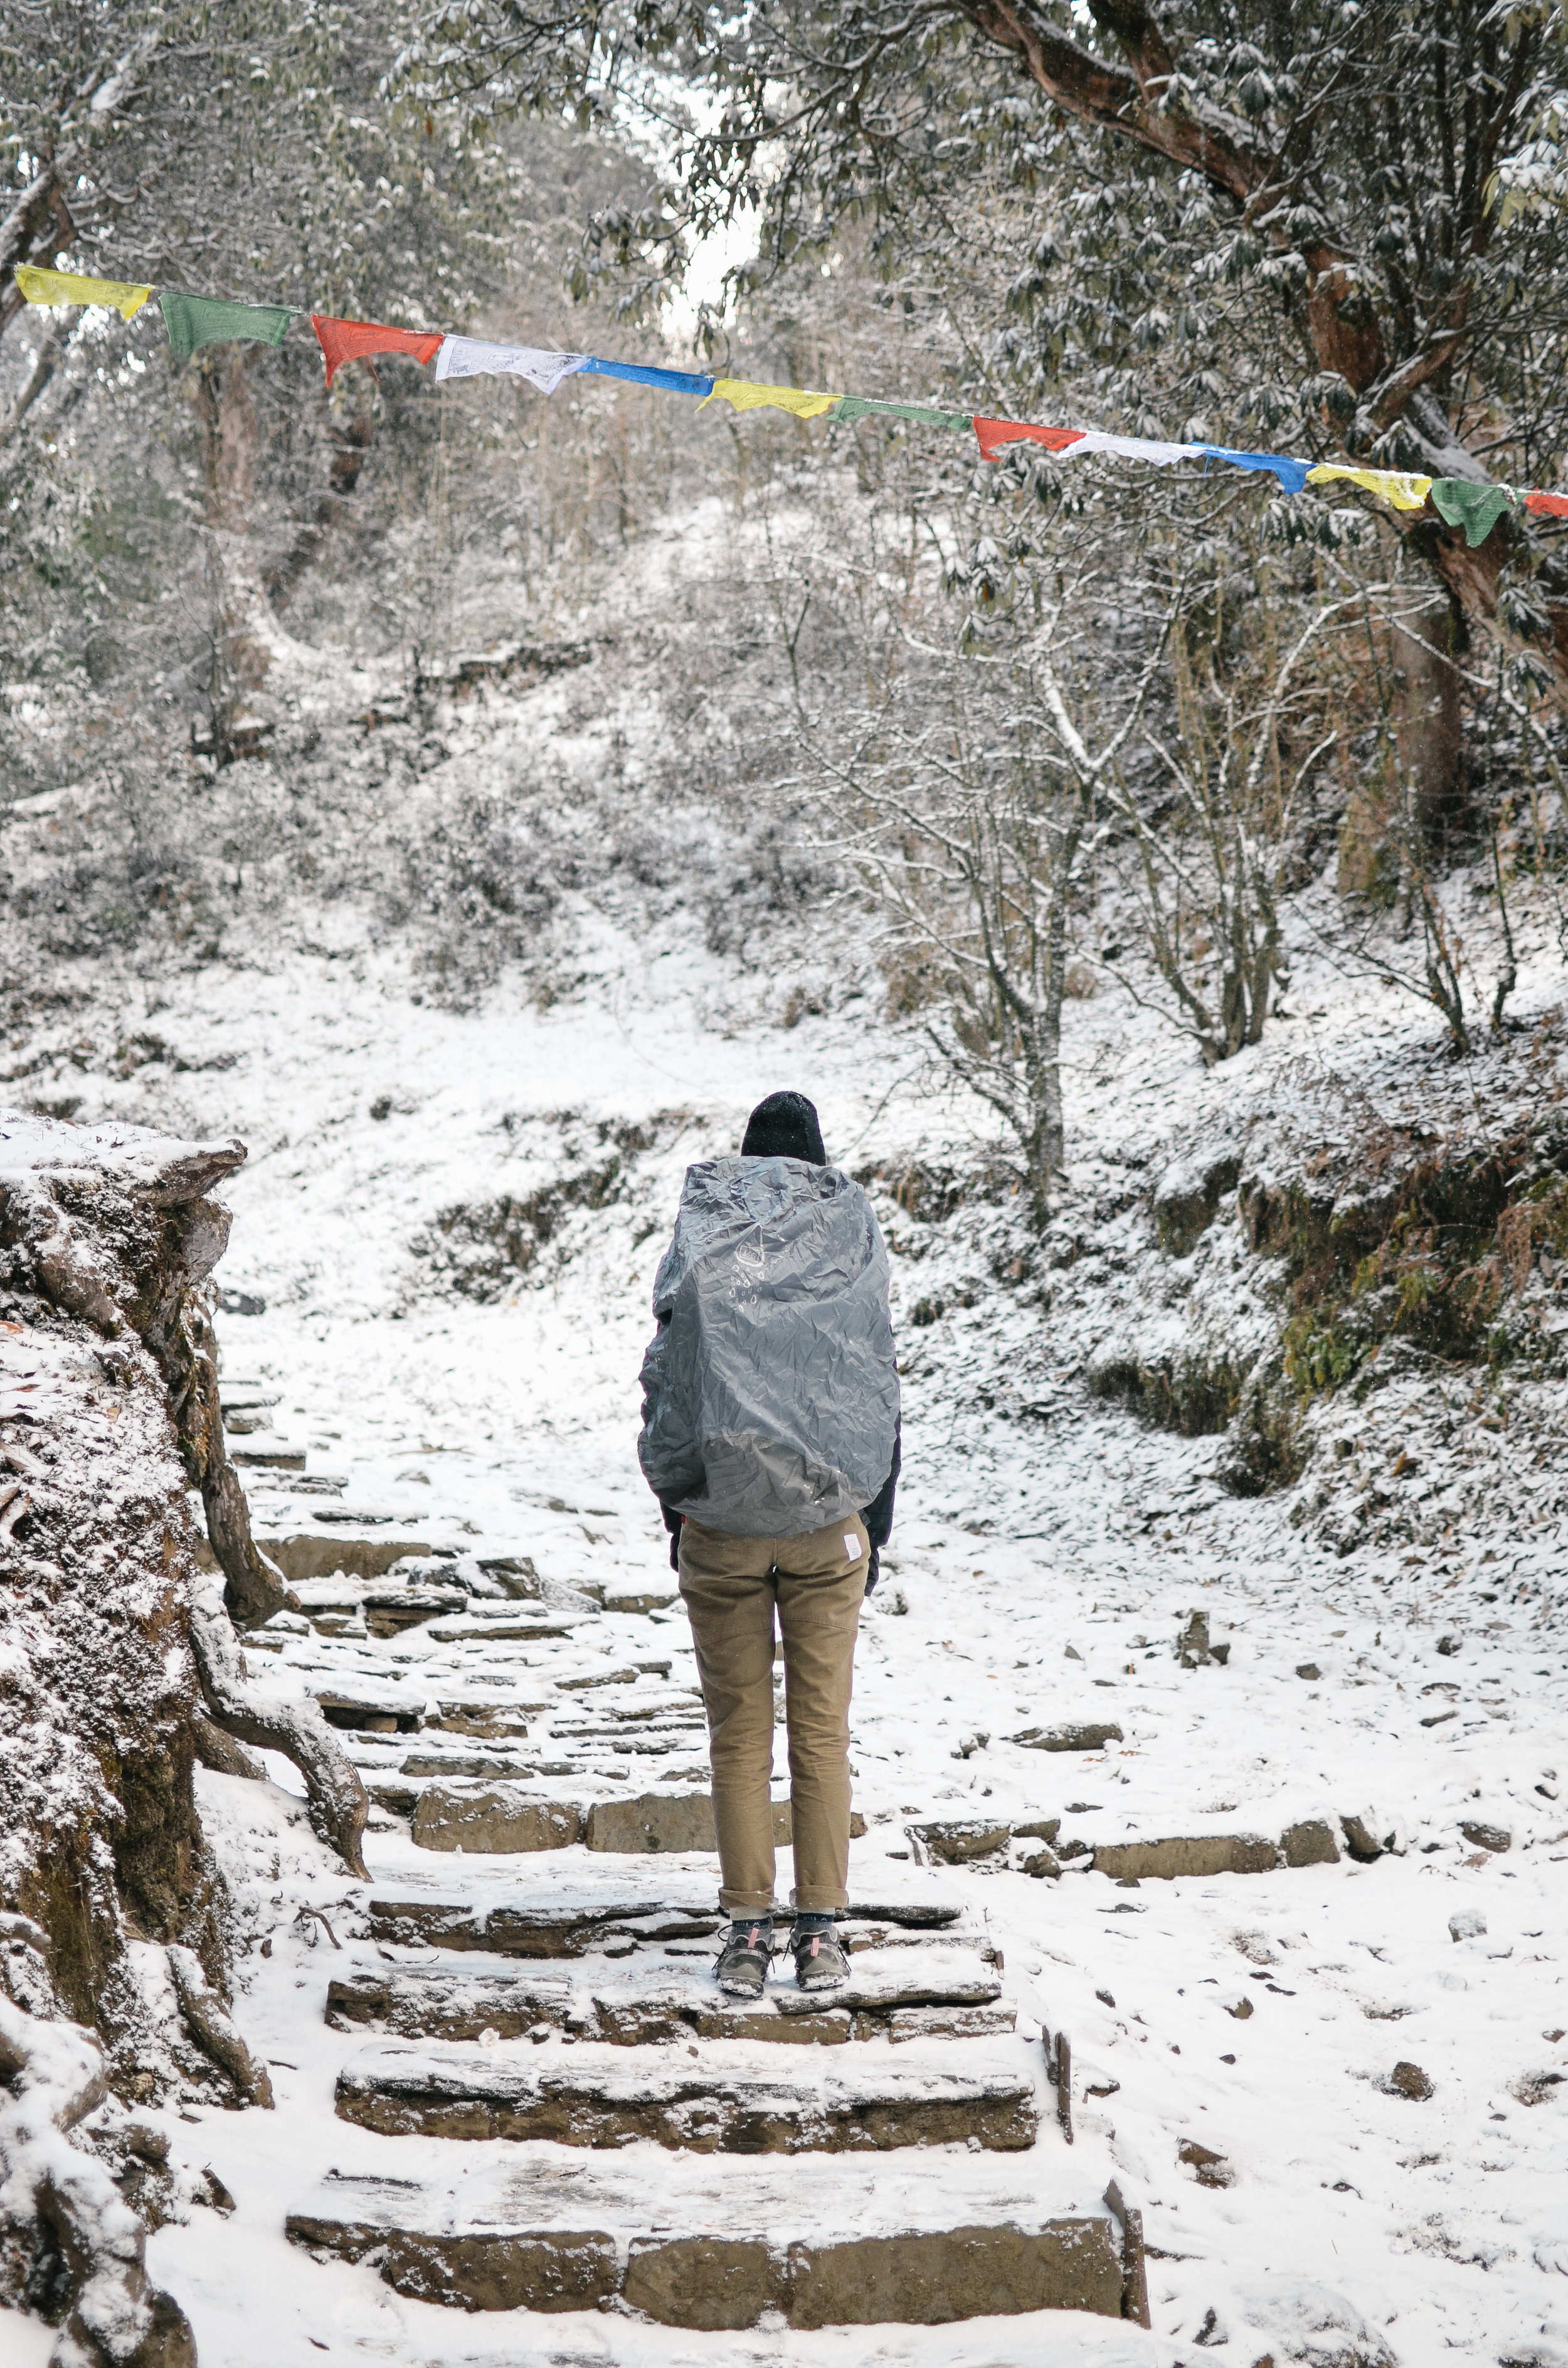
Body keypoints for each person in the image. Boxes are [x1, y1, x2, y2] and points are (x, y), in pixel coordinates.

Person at [637, 1090, 900, 1998]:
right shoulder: (850, 1232)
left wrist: (681, 1506)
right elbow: (878, 1384)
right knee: (821, 1733)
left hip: (722, 1524)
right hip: (829, 1525)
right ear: (818, 1159)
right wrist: (875, 1517)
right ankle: (821, 1933)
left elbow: (668, 1377)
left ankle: (748, 1932)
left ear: (746, 1159)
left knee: (739, 1736)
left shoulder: (706, 1235)